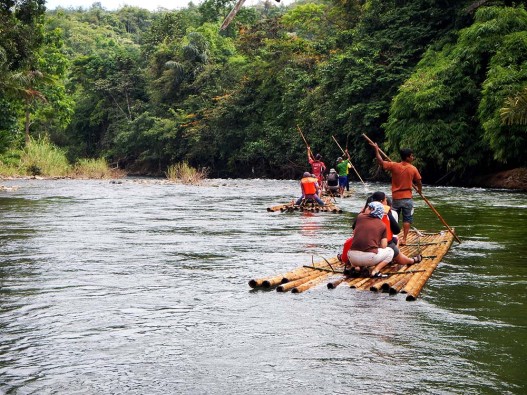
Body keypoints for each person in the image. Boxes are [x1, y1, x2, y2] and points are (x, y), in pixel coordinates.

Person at [369, 142, 422, 246]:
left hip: (396, 198)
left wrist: (376, 149)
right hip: (407, 198)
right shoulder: (413, 169)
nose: (413, 157)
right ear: (407, 157)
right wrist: (419, 190)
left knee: (392, 217)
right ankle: (404, 239)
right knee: (407, 219)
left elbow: (380, 161)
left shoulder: (394, 165)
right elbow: (419, 181)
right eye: (411, 156)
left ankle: (392, 236)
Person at [370, 191, 422, 265]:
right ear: (382, 201)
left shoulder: (365, 211)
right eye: (385, 199)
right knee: (396, 251)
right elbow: (396, 230)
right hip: (381, 243)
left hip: (366, 243)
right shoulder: (385, 211)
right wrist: (388, 213)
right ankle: (411, 261)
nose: (386, 201)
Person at [346, 201, 394, 277]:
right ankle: (375, 271)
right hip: (369, 258)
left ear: (372, 210)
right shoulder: (382, 225)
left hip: (352, 257)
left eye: (368, 208)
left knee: (356, 251)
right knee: (390, 251)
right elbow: (384, 246)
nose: (366, 208)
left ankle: (356, 268)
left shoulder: (360, 217)